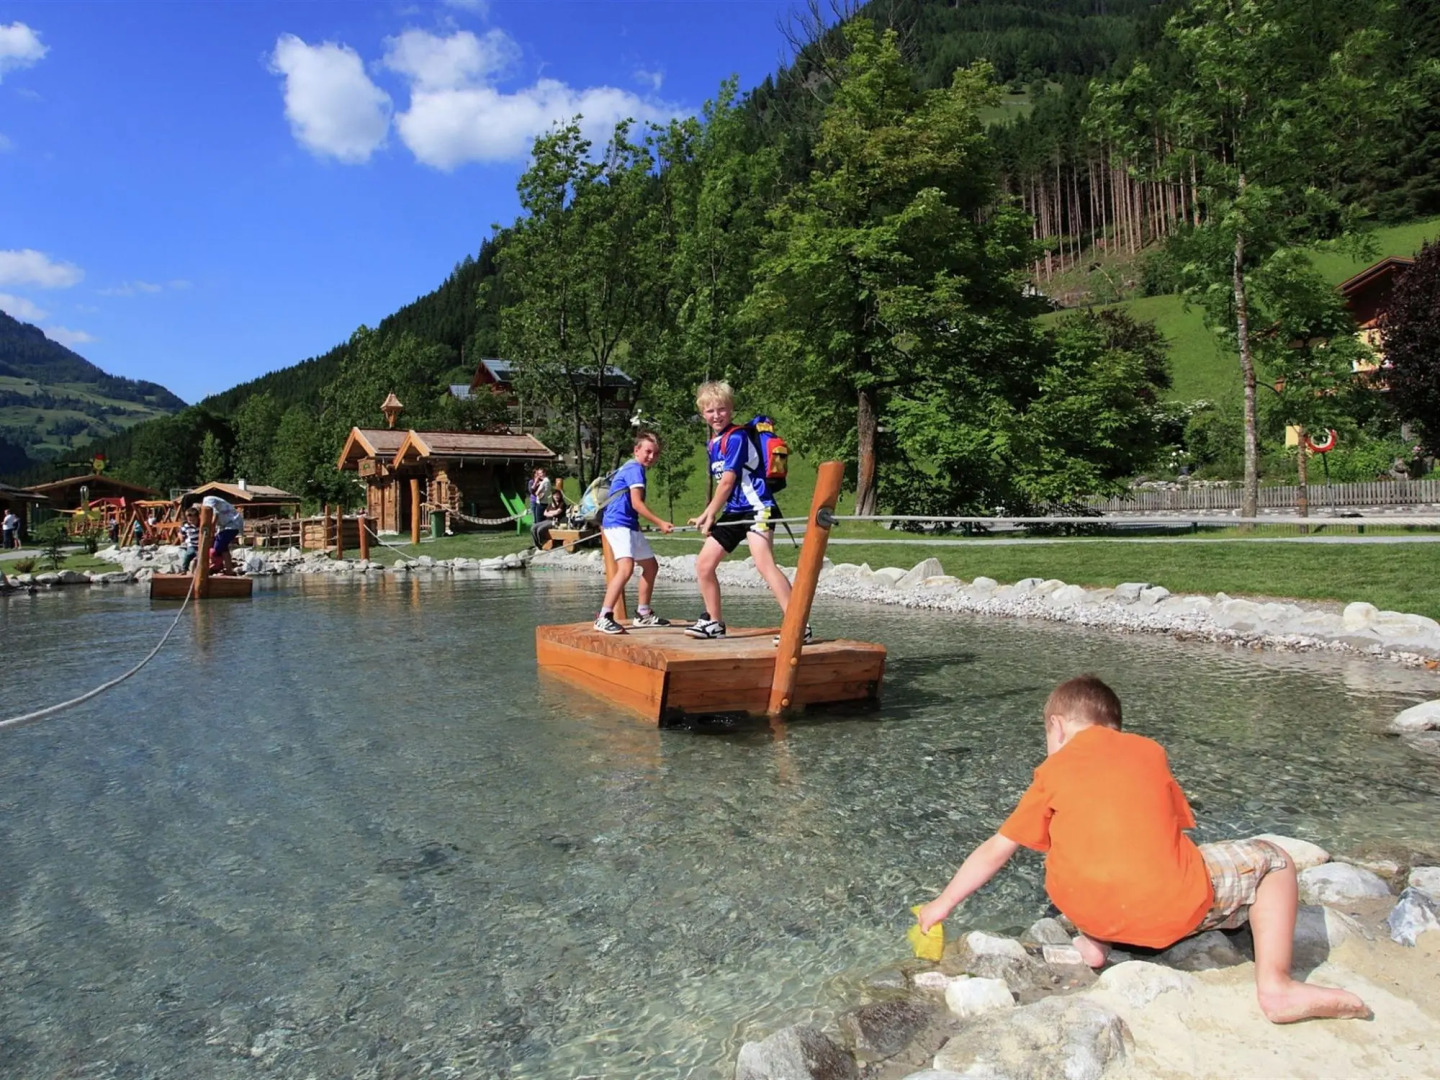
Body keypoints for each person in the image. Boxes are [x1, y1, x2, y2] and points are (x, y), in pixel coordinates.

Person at [916, 674, 1370, 1025]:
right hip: (1168, 912)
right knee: (1274, 858)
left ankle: (1095, 943)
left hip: (1089, 910)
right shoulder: (1151, 751)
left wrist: (940, 906)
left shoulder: (1050, 772)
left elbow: (997, 848)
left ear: (1055, 727)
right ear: (1115, 726)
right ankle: (1276, 985)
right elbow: (1167, 830)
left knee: (1082, 849)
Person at [685, 381, 805, 642]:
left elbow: (728, 481)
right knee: (704, 565)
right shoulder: (713, 444)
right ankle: (714, 622)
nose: (716, 415)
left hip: (758, 508)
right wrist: (713, 513)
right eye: (710, 411)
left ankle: (798, 626)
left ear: (731, 409)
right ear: (702, 413)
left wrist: (708, 513)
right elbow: (723, 485)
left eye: (722, 409)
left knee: (764, 564)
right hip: (734, 511)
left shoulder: (737, 437)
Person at [593, 432, 674, 634]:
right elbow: (637, 503)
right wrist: (661, 522)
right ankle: (603, 616)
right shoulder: (635, 469)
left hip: (629, 524)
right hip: (618, 523)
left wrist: (637, 524)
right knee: (626, 568)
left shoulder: (632, 468)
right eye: (647, 451)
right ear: (636, 450)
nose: (651, 457)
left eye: (655, 454)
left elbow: (630, 503)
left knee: (650, 566)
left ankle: (643, 614)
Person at [201, 495, 244, 575]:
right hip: (223, 526)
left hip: (232, 523)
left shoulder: (208, 500)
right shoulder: (208, 501)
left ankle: (217, 566)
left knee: (218, 546)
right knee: (222, 547)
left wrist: (212, 529)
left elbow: (215, 514)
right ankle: (228, 570)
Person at [178, 507, 200, 573]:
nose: (192, 522)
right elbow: (181, 532)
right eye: (190, 520)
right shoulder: (186, 526)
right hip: (192, 545)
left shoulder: (201, 525)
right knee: (188, 555)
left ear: (197, 518)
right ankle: (184, 569)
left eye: (193, 520)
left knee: (199, 557)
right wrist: (181, 536)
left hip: (200, 545)